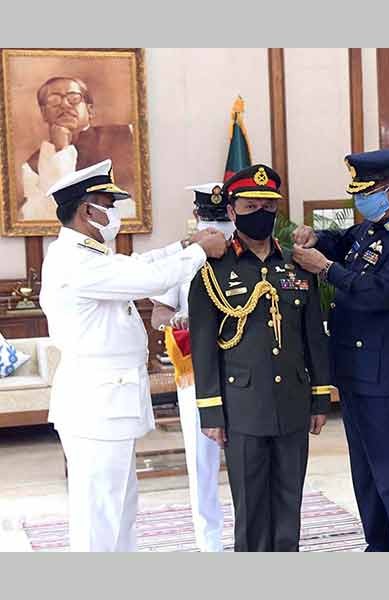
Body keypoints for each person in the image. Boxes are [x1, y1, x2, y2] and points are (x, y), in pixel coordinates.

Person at [40, 159, 227, 552]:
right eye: (109, 203)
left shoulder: (90, 255)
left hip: (108, 403)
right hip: (95, 405)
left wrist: (185, 245)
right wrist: (200, 253)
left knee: (120, 508)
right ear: (87, 210)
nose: (115, 212)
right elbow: (147, 280)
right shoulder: (73, 261)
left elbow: (138, 264)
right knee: (99, 516)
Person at [292, 149, 389, 552]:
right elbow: (341, 240)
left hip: (386, 373)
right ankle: (379, 543)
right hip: (354, 369)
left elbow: (379, 293)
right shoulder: (372, 229)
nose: (360, 201)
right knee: (367, 470)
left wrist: (325, 268)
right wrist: (315, 238)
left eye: (365, 193)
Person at [190, 164, 331, 552]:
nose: (261, 214)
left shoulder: (298, 264)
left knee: (289, 502)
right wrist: (211, 412)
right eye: (250, 206)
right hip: (243, 406)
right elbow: (203, 345)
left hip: (293, 402)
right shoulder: (212, 268)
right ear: (232, 211)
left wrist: (320, 397)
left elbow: (312, 336)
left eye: (268, 206)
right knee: (251, 508)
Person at [149, 182, 234, 552]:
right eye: (210, 219)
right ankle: (209, 542)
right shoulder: (182, 261)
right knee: (202, 461)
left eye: (222, 218)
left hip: (244, 369)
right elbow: (158, 314)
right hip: (195, 372)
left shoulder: (246, 254)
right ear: (196, 218)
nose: (218, 229)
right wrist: (176, 321)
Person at [21, 77, 136, 221]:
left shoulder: (129, 135)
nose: (64, 105)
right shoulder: (32, 166)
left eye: (74, 98)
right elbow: (39, 216)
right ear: (44, 113)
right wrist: (61, 150)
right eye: (54, 100)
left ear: (90, 110)